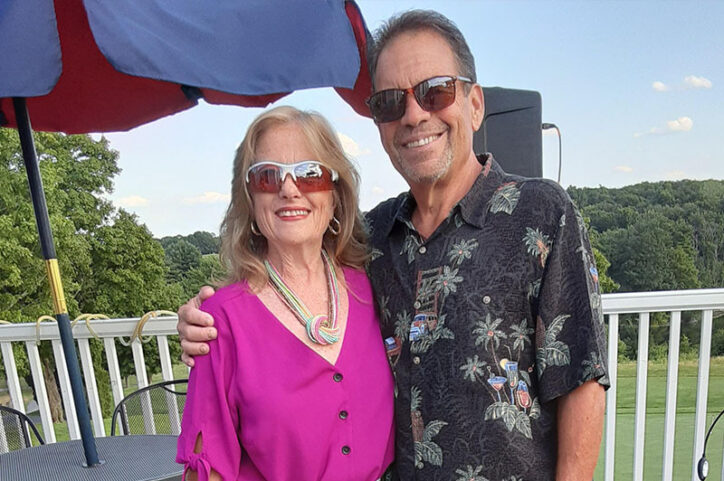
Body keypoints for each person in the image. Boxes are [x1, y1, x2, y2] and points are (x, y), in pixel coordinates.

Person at [178, 10, 608, 481]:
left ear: (475, 104)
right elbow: (290, 279)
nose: (415, 114)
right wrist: (204, 320)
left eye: (436, 90)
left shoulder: (542, 213)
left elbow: (580, 379)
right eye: (388, 103)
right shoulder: (376, 237)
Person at [175, 106, 395, 481]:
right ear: (250, 199)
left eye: (310, 174)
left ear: (334, 192)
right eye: (267, 176)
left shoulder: (375, 284)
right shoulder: (220, 321)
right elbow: (207, 469)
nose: (288, 189)